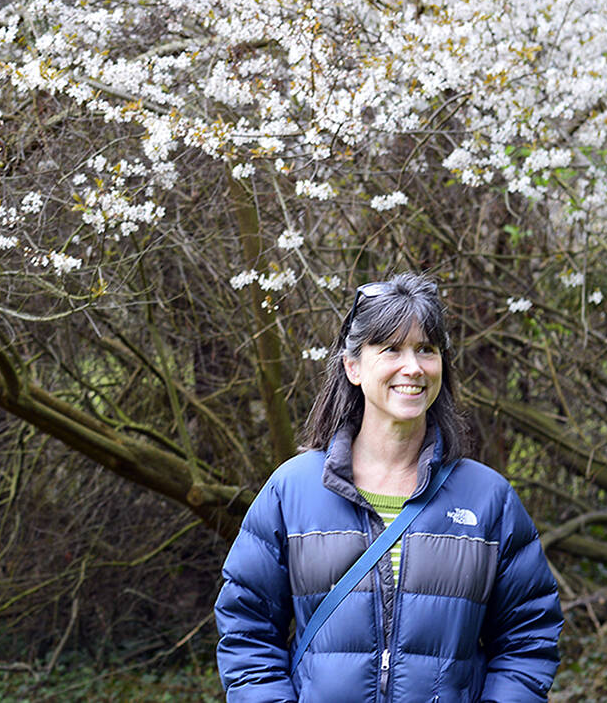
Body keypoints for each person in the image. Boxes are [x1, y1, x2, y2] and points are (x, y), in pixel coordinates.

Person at [215, 273, 562, 702]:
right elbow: (246, 629)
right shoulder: (292, 490)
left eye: (426, 350)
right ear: (353, 366)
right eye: (391, 349)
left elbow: (528, 636)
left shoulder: (488, 498)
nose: (412, 367)